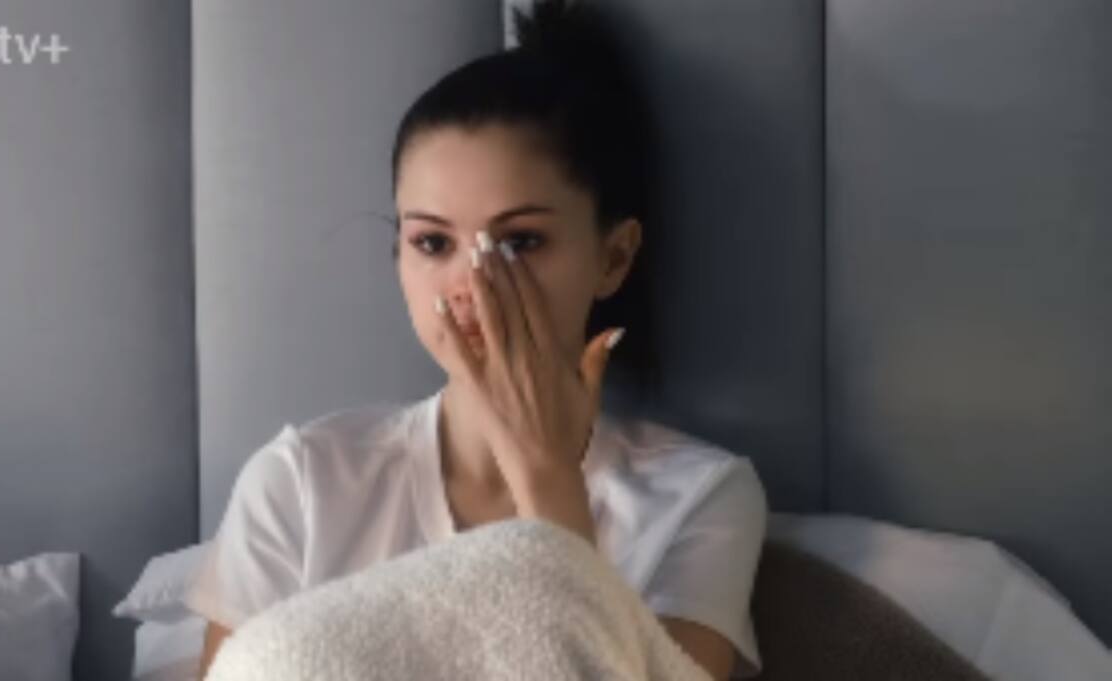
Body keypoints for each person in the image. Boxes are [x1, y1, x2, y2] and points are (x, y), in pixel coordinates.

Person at [185, 1, 768, 679]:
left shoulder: (699, 497)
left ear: (613, 257)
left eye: (520, 242)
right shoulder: (304, 483)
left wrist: (548, 481)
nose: (474, 284)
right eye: (433, 243)